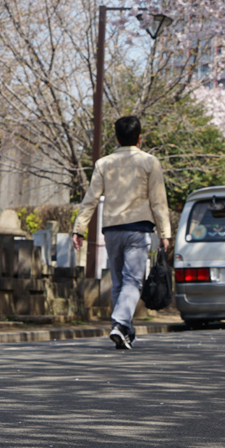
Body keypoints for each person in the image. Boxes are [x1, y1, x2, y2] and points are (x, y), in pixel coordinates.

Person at [72, 116, 171, 350]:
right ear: (139, 137)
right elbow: (158, 201)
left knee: (119, 282)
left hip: (112, 230)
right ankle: (120, 323)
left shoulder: (103, 163)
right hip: (138, 230)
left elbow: (90, 200)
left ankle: (125, 331)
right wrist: (165, 233)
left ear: (116, 138)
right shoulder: (149, 162)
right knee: (133, 281)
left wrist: (79, 229)